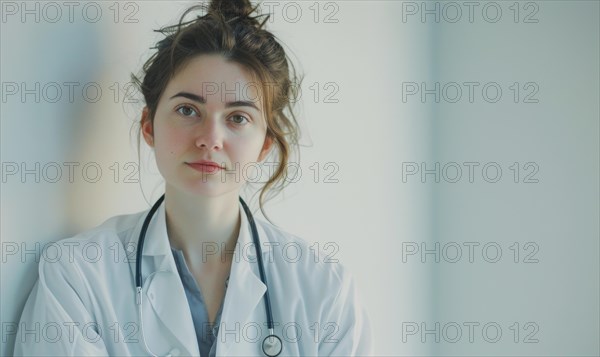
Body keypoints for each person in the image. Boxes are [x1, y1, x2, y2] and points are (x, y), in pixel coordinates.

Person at [13, 0, 372, 355]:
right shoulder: (78, 276)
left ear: (265, 143)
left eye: (237, 118)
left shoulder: (325, 290)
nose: (209, 139)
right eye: (188, 110)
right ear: (149, 126)